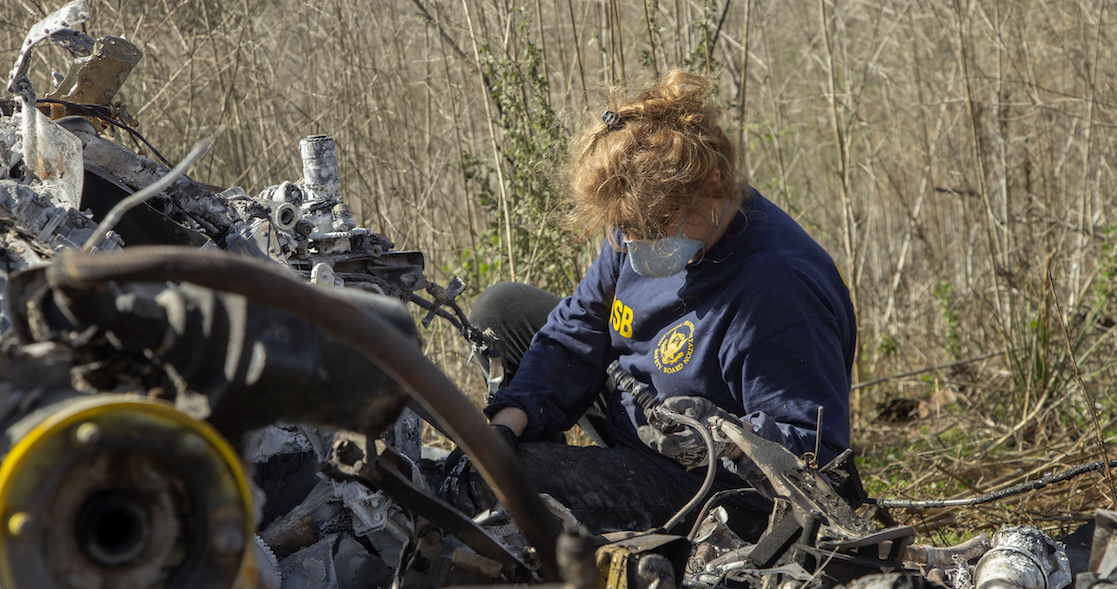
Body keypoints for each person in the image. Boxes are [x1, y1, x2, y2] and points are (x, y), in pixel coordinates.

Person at [440, 70, 857, 536]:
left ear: (714, 183)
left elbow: (815, 455)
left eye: (654, 227)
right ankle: (558, 478)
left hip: (706, 485)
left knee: (502, 484)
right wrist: (505, 423)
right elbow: (577, 328)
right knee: (504, 310)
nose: (634, 243)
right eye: (624, 227)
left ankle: (588, 507)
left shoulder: (777, 290)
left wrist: (727, 438)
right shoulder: (637, 225)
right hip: (637, 406)